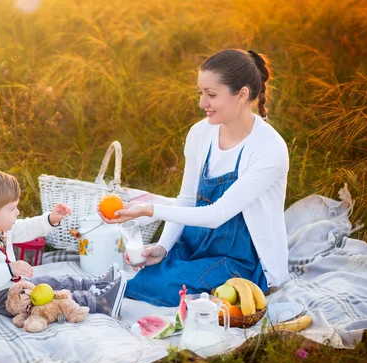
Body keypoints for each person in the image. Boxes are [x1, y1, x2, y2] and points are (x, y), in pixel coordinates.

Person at [99, 49, 289, 307]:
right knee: (143, 278)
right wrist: (164, 247)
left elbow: (217, 214)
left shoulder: (268, 148)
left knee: (164, 286)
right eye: (201, 93)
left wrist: (149, 210)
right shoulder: (201, 134)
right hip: (196, 243)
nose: (202, 103)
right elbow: (187, 199)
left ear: (242, 95)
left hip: (242, 258)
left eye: (211, 95)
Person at [0, 168, 127, 319]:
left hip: (7, 286)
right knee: (43, 300)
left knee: (47, 281)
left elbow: (24, 228)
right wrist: (8, 270)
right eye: (12, 209)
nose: (17, 212)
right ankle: (99, 302)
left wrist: (49, 220)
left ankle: (93, 285)